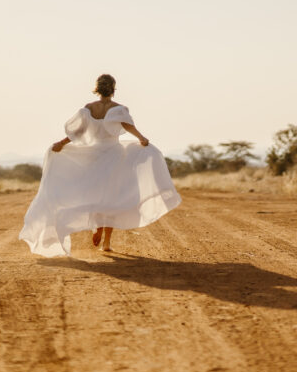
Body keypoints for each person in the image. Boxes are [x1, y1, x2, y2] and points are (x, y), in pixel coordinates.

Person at [19, 74, 181, 257]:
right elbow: (128, 127)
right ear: (113, 88)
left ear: (97, 88)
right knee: (112, 197)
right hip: (113, 155)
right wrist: (141, 138)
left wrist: (61, 144)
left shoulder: (88, 109)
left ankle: (97, 227)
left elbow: (78, 132)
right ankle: (106, 242)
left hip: (93, 156)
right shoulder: (119, 109)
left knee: (96, 195)